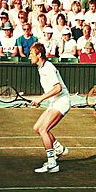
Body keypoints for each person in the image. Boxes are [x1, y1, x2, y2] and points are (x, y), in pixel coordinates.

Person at [29, 42, 71, 173]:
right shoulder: (41, 68)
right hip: (54, 102)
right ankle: (58, 148)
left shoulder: (48, 68)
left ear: (39, 54)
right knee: (37, 128)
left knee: (43, 130)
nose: (29, 56)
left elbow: (57, 88)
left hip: (61, 102)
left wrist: (41, 98)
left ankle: (52, 163)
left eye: (31, 53)